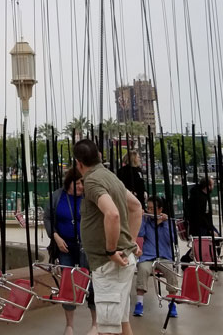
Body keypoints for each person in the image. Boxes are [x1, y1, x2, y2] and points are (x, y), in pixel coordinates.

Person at [74, 139, 142, 335]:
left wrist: (111, 250)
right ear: (99, 156)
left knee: (108, 329)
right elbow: (136, 207)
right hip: (121, 261)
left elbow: (112, 213)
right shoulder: (110, 176)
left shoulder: (93, 180)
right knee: (121, 322)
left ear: (79, 163)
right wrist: (130, 242)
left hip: (109, 264)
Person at [43, 168, 96, 335]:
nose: (81, 186)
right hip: (64, 245)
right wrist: (55, 237)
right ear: (69, 183)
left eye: (83, 183)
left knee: (91, 283)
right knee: (67, 283)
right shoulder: (57, 196)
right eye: (78, 183)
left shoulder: (89, 198)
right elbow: (48, 218)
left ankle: (95, 323)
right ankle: (70, 325)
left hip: (86, 246)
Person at [133, 196, 179, 319]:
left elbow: (172, 239)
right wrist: (142, 218)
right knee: (142, 269)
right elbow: (140, 233)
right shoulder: (146, 221)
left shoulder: (168, 223)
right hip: (148, 256)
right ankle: (139, 302)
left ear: (160, 210)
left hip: (164, 256)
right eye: (148, 208)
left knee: (171, 272)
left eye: (152, 209)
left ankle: (172, 303)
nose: (149, 211)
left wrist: (163, 224)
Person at [182, 176, 223, 272]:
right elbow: (199, 215)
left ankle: (215, 262)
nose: (213, 187)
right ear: (207, 186)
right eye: (212, 184)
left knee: (216, 239)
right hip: (198, 225)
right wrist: (209, 229)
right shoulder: (199, 198)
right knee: (203, 243)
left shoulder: (202, 195)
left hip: (204, 224)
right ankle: (186, 259)